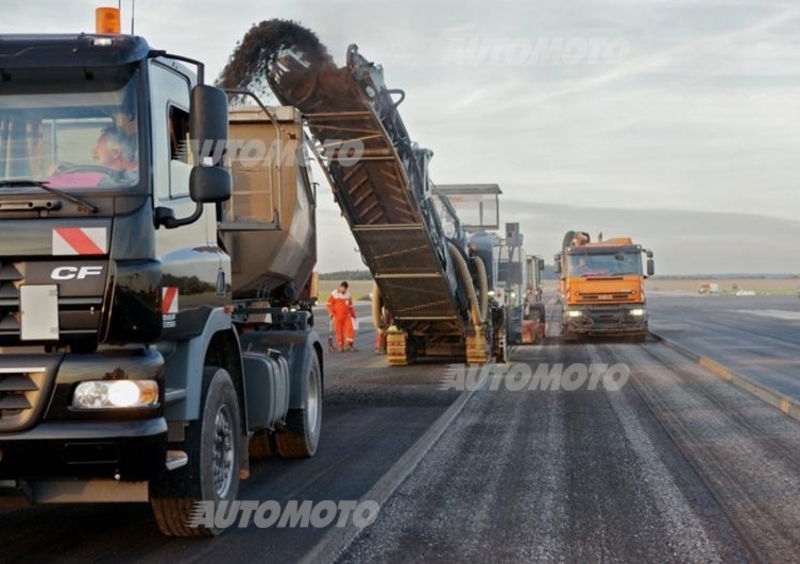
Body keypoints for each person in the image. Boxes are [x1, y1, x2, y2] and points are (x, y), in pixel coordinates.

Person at [47, 126, 137, 188]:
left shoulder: (131, 179)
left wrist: (58, 178)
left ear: (116, 152)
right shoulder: (118, 176)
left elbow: (104, 182)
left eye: (98, 147)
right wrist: (72, 168)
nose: (93, 151)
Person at [327, 281, 357, 352]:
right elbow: (328, 305)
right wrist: (330, 313)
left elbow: (350, 306)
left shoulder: (348, 294)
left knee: (350, 330)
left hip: (347, 316)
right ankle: (341, 346)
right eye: (342, 288)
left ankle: (349, 345)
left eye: (344, 289)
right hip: (337, 316)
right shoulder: (334, 294)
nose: (342, 290)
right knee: (339, 331)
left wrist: (353, 314)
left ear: (346, 289)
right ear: (340, 287)